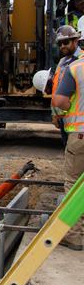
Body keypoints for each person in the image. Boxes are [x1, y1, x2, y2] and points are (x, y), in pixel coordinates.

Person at [51, 53, 84, 251]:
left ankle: (74, 236)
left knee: (74, 184)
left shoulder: (76, 67)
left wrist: (69, 109)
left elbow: (60, 100)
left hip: (80, 134)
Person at [46, 25, 83, 146]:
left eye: (66, 42)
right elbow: (57, 88)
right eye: (60, 43)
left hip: (78, 121)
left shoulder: (81, 61)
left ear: (75, 41)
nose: (62, 46)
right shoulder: (62, 62)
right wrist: (55, 113)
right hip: (64, 118)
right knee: (69, 154)